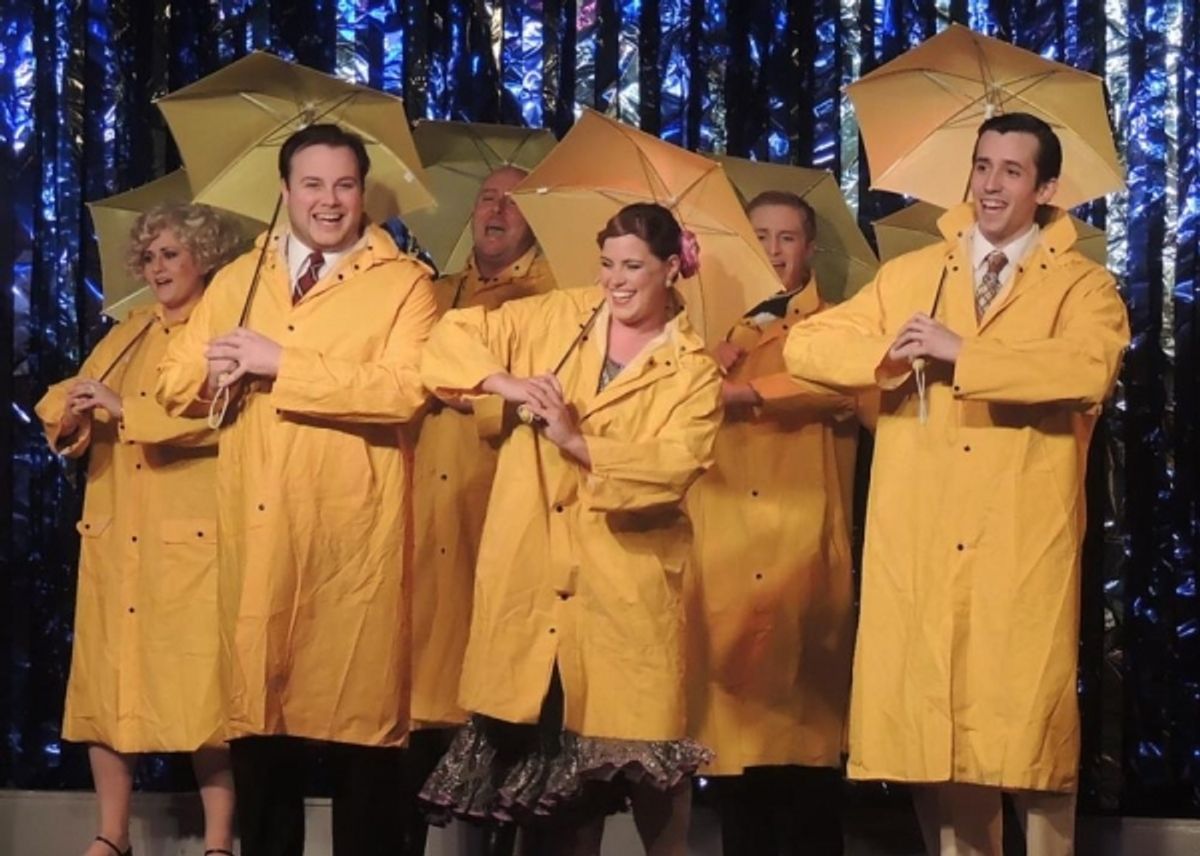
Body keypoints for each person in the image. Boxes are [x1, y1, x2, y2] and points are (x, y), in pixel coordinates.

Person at [784, 112, 1130, 856]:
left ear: (1047, 188)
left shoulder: (1083, 286)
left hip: (1018, 539)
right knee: (943, 746)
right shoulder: (914, 277)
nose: (993, 183)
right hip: (926, 536)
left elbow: (1084, 371)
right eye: (983, 166)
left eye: (1012, 170)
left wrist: (963, 352)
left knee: (1027, 743)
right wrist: (892, 346)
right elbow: (808, 344)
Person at [155, 123, 438, 856]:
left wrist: (285, 362)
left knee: (362, 746)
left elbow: (406, 391)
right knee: (261, 744)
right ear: (285, 193)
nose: (329, 201)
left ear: (363, 193)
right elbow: (171, 379)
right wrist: (210, 372)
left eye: (344, 185)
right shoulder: (240, 279)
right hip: (260, 542)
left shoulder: (404, 283)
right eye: (312, 185)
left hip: (351, 544)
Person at [418, 202, 722, 856]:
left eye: (633, 266)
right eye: (608, 263)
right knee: (548, 777)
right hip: (533, 579)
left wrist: (577, 441)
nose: (616, 279)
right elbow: (449, 339)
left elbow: (675, 467)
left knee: (643, 767)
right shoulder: (560, 316)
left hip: (624, 589)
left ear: (671, 269)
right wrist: (510, 385)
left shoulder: (692, 369)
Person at [36, 202, 244, 856]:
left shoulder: (224, 333)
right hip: (115, 531)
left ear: (202, 258)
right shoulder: (128, 330)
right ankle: (112, 833)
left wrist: (127, 409)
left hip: (188, 541)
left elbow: (219, 418)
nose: (157, 267)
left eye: (170, 254)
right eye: (149, 256)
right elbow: (65, 395)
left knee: (201, 696)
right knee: (108, 686)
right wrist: (70, 411)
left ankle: (216, 841)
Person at [686, 191, 859, 855]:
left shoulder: (837, 324)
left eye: (788, 237)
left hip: (801, 555)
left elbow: (847, 384)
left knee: (805, 759)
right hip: (725, 555)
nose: (774, 250)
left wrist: (751, 391)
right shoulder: (705, 330)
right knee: (738, 769)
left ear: (810, 248)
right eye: (760, 236)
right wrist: (711, 361)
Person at [405, 164, 557, 855]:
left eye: (513, 202)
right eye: (487, 198)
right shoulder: (428, 293)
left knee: (494, 698)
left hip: (494, 508)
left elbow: (552, 395)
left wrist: (480, 393)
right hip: (415, 513)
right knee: (410, 709)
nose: (495, 211)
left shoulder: (555, 298)